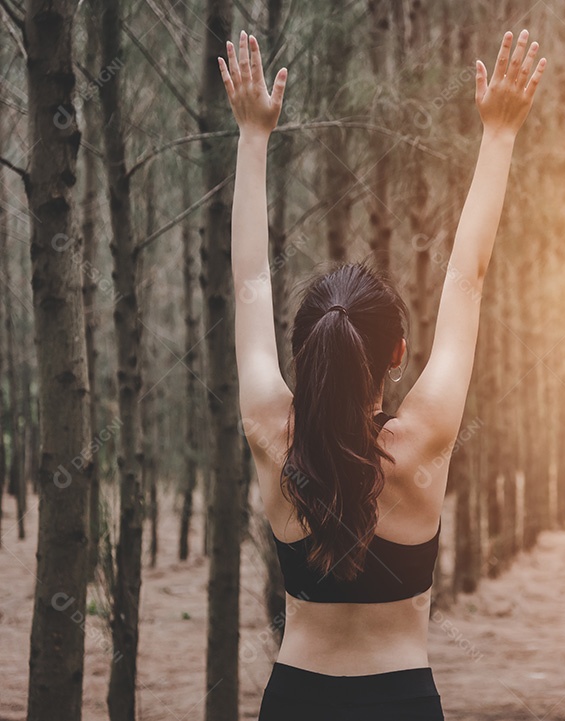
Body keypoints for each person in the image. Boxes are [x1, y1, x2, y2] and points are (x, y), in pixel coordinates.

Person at [217, 27, 546, 721]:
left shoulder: (272, 434)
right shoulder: (423, 439)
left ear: (303, 352)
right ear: (398, 353)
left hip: (296, 700)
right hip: (401, 700)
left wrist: (251, 136)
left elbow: (249, 282)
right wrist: (498, 134)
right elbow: (467, 278)